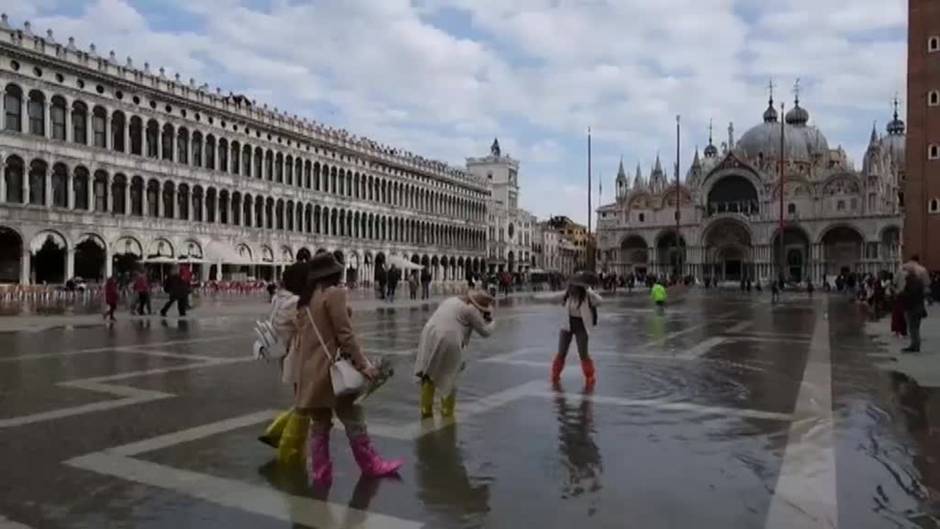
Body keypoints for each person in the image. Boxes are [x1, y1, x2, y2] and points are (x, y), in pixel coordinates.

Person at [289, 253, 402, 488]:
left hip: (309, 373)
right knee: (353, 418)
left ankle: (321, 473)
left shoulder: (305, 301)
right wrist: (364, 365)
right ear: (334, 273)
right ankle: (371, 465)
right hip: (331, 373)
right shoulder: (335, 294)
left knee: (320, 424)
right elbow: (345, 335)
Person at [257, 262, 310, 465]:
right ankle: (286, 441)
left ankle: (282, 435)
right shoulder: (294, 302)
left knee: (303, 401)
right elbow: (307, 328)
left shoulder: (279, 298)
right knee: (304, 403)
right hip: (295, 356)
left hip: (285, 354)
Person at [414, 290, 495, 418]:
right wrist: (492, 321)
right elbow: (485, 332)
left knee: (429, 373)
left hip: (430, 333)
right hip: (449, 339)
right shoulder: (471, 310)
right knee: (450, 376)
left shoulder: (451, 300)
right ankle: (447, 412)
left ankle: (426, 410)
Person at [548, 271, 603, 387]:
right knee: (561, 352)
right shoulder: (567, 295)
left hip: (581, 326)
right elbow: (553, 298)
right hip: (567, 325)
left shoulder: (587, 296)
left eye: (574, 288)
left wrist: (589, 290)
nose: (571, 289)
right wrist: (537, 298)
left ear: (579, 288)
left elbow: (600, 301)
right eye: (570, 287)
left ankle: (590, 376)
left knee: (583, 353)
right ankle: (555, 374)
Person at [900, 266, 927, 353]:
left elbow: (911, 294)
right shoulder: (918, 281)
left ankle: (915, 346)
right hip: (918, 307)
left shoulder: (911, 281)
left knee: (913, 328)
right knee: (915, 327)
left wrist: (901, 293)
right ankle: (915, 345)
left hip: (912, 307)